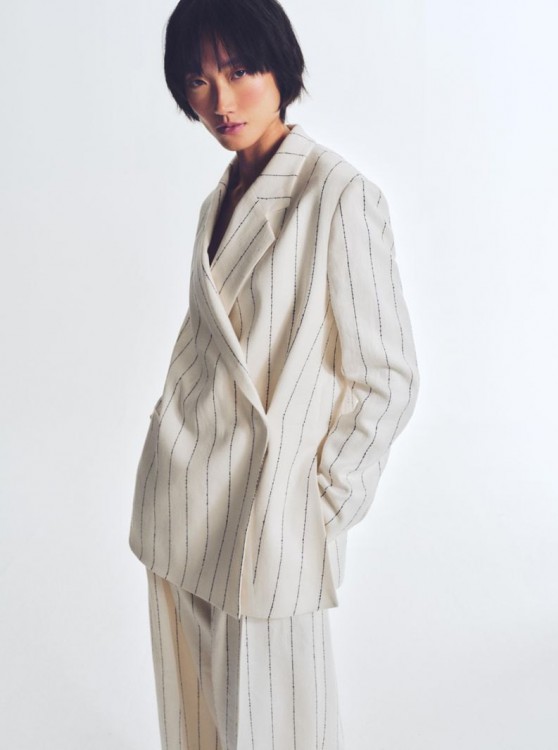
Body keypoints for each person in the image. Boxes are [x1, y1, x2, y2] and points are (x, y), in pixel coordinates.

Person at [128, 0, 420, 747]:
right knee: (193, 726)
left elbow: (386, 376)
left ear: (280, 69)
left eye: (239, 71)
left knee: (280, 729)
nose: (220, 101)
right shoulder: (217, 199)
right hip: (181, 500)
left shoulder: (338, 193)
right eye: (198, 79)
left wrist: (318, 507)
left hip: (269, 515)